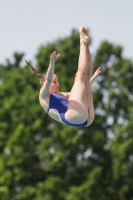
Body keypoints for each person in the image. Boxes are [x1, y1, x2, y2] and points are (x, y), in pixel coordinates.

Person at [25, 27, 101, 128]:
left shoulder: (59, 95)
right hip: (75, 117)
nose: (58, 84)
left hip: (84, 120)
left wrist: (93, 78)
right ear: (44, 85)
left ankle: (84, 42)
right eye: (55, 82)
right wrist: (52, 63)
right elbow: (48, 80)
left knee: (85, 78)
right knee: (80, 76)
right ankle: (83, 42)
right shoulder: (43, 95)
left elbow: (77, 92)